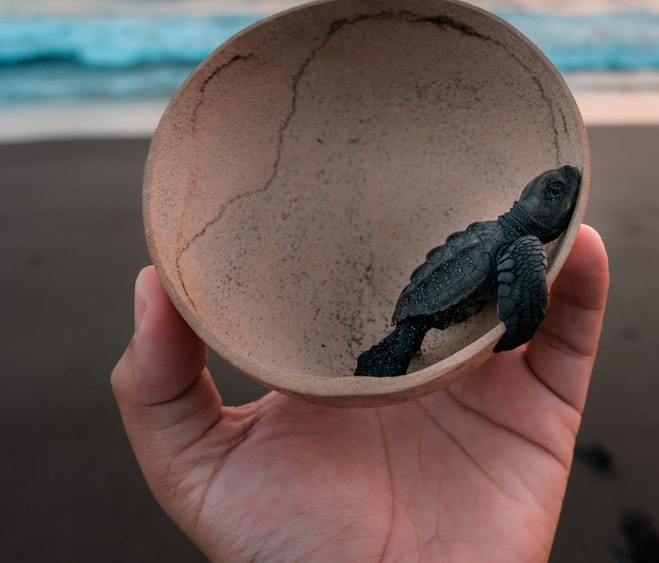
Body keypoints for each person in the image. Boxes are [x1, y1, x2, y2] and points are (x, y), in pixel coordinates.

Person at [112, 225, 609, 562]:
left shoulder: (509, 234)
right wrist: (521, 316)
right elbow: (516, 295)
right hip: (434, 300)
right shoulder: (519, 243)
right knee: (407, 341)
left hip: (432, 296)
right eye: (554, 193)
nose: (562, 195)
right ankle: (386, 358)